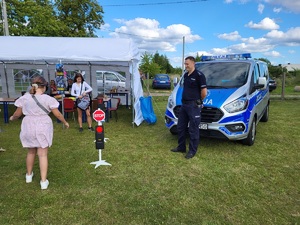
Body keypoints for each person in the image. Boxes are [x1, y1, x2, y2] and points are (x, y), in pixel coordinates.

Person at [9, 76, 70, 190]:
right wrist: (65, 122)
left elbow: (17, 114)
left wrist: (12, 118)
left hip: (28, 124)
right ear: (45, 86)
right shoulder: (48, 99)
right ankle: (43, 181)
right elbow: (57, 114)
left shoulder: (25, 98)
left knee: (31, 151)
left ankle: (28, 176)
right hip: (42, 124)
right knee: (42, 154)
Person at [171, 56, 207, 159]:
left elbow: (204, 92)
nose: (185, 66)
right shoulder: (186, 75)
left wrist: (199, 101)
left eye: (187, 64)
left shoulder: (199, 75)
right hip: (184, 105)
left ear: (193, 63)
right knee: (181, 127)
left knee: (193, 129)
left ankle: (192, 151)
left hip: (193, 106)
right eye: (185, 64)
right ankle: (181, 147)